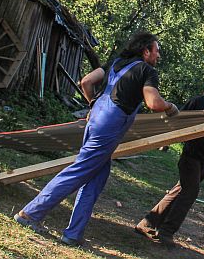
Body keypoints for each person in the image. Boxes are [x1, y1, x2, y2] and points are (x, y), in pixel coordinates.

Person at [13, 32, 179, 245]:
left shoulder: (116, 63)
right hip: (111, 124)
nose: (158, 56)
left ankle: (73, 234)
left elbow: (86, 81)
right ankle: (30, 214)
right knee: (79, 170)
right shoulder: (147, 71)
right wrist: (170, 107)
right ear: (146, 51)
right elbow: (153, 103)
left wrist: (93, 103)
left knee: (96, 177)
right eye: (157, 51)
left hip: (97, 118)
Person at [134, 74, 204, 247]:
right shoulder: (196, 103)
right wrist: (166, 141)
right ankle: (166, 232)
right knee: (190, 192)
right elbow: (177, 121)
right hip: (191, 156)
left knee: (178, 191)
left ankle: (147, 224)